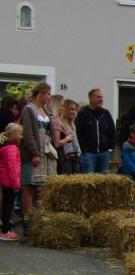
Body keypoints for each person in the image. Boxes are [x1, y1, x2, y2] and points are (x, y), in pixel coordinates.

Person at [20, 82, 58, 229]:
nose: (49, 97)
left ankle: (40, 220)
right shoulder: (29, 109)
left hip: (46, 151)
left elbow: (50, 131)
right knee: (30, 185)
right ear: (40, 94)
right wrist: (34, 153)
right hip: (35, 151)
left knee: (42, 186)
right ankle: (27, 220)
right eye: (48, 94)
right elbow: (28, 133)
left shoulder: (45, 110)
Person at [75, 88, 115, 174]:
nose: (101, 99)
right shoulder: (83, 114)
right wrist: (83, 150)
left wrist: (110, 149)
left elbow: (112, 131)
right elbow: (78, 132)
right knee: (89, 179)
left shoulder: (106, 114)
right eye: (98, 97)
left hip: (104, 153)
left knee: (103, 179)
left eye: (102, 97)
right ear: (91, 99)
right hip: (88, 154)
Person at [0, 123, 23, 241]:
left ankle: (6, 229)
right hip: (10, 182)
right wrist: (16, 185)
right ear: (12, 134)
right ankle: (5, 231)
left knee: (6, 205)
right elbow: (12, 168)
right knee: (8, 207)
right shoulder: (12, 149)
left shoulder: (5, 146)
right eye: (19, 134)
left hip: (5, 181)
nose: (21, 136)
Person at [54, 99, 82, 175]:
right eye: (71, 109)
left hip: (76, 157)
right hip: (66, 158)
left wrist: (79, 151)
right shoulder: (58, 122)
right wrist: (67, 139)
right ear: (65, 109)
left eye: (75, 110)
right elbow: (57, 143)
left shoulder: (72, 124)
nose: (74, 112)